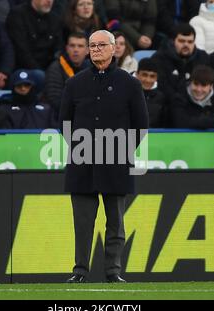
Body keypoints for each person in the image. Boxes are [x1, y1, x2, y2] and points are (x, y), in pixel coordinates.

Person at [59, 30, 149, 283]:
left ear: (114, 48)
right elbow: (64, 123)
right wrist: (81, 148)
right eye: (92, 45)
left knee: (116, 222)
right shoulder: (74, 83)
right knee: (83, 222)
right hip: (82, 162)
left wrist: (120, 151)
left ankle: (113, 272)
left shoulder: (130, 83)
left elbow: (141, 124)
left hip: (116, 162)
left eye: (101, 45)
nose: (96, 49)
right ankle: (80, 271)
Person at [170, 64, 214, 129]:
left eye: (204, 85)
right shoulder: (178, 99)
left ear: (211, 86)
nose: (199, 89)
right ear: (190, 82)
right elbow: (181, 123)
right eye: (195, 84)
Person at [151, 23, 210, 99]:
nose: (186, 45)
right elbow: (161, 87)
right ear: (173, 41)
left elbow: (211, 83)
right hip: (168, 103)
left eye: (190, 42)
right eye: (181, 41)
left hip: (198, 102)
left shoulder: (203, 57)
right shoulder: (159, 58)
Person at [43, 32, 90, 121]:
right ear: (67, 48)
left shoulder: (92, 68)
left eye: (80, 46)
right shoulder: (56, 67)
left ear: (87, 50)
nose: (76, 49)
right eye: (72, 46)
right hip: (61, 118)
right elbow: (55, 99)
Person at [6, 0, 63, 71]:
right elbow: (21, 51)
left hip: (49, 70)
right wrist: (41, 72)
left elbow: (58, 50)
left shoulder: (55, 19)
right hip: (23, 69)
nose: (49, 1)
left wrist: (53, 71)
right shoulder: (18, 15)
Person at [135, 58, 166, 128]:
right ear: (137, 74)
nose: (148, 80)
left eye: (152, 76)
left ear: (156, 78)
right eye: (144, 75)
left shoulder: (162, 98)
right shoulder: (126, 92)